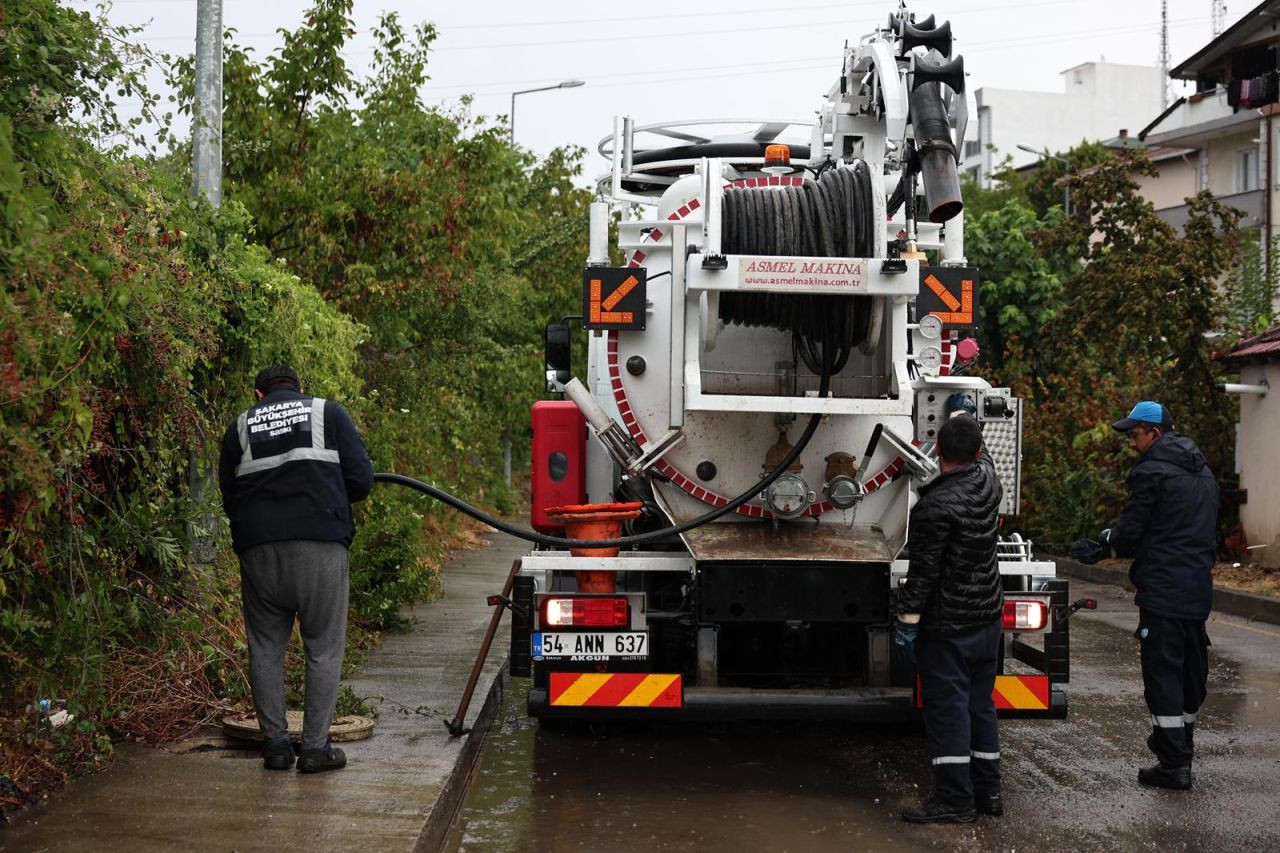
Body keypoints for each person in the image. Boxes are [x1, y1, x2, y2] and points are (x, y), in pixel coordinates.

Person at [218, 364, 373, 773]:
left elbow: (230, 497)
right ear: (301, 390)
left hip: (259, 552)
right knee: (322, 647)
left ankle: (276, 747)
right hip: (320, 545)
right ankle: (316, 750)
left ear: (258, 395)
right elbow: (362, 480)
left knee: (266, 646)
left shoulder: (240, 427)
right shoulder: (327, 413)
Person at [1102, 400, 1217, 791]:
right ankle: (1181, 750)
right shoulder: (1203, 472)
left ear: (1155, 432)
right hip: (1197, 588)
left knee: (1163, 674)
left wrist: (1107, 543)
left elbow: (1133, 531)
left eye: (1134, 434)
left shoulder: (1151, 472)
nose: (1131, 443)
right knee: (1189, 673)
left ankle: (1173, 763)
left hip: (1163, 590)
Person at [895, 414, 1004, 824]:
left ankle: (955, 801)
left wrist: (906, 619)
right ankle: (988, 792)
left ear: (938, 450)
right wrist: (965, 417)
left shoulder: (933, 508)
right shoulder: (990, 482)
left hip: (949, 628)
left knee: (949, 712)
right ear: (977, 453)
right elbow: (986, 454)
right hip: (987, 619)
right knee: (981, 707)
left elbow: (924, 575)